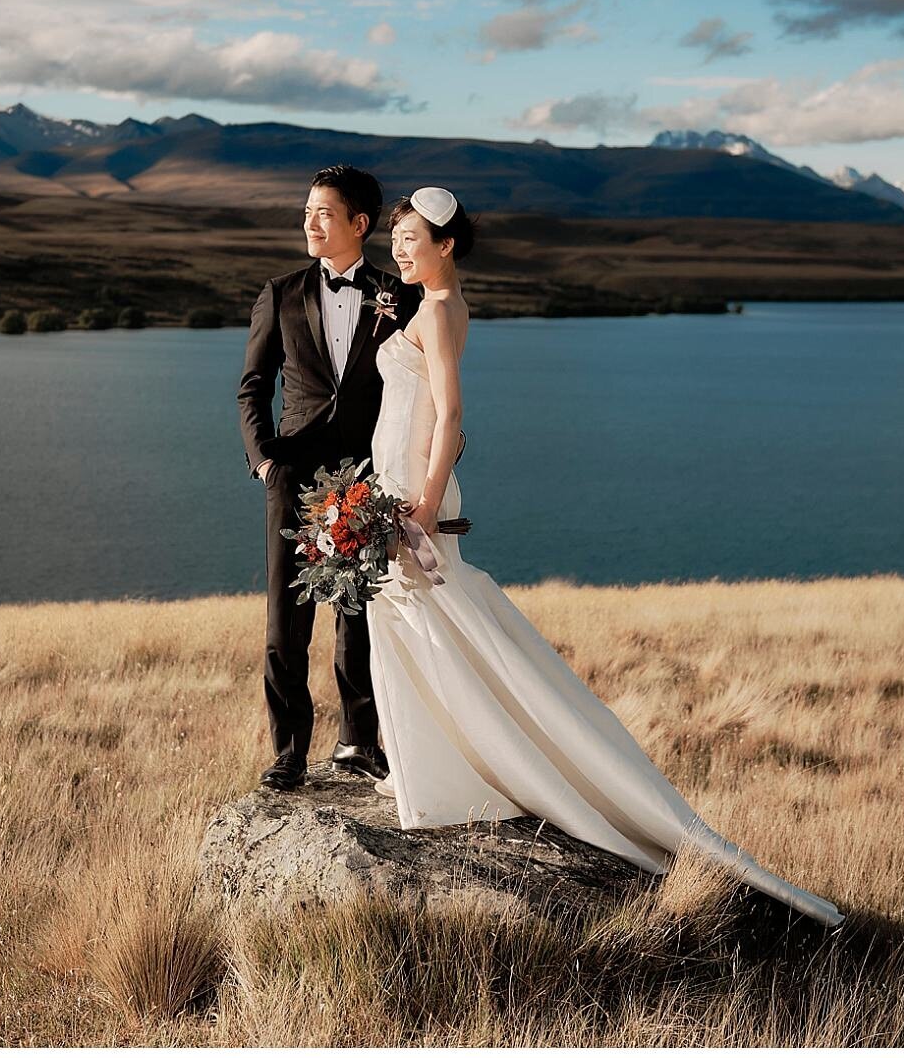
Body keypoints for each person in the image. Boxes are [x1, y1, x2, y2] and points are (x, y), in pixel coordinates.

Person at [362, 184, 846, 929]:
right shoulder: (432, 305)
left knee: (435, 615)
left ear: (447, 244)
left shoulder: (435, 310)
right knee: (413, 620)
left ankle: (479, 769)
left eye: (411, 239)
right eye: (394, 238)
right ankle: (433, 770)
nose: (399, 248)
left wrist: (424, 503)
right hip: (395, 480)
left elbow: (452, 413)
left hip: (414, 489)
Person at [237, 165, 423, 792]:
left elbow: (419, 386)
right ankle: (288, 749)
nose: (310, 222)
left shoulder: (398, 295)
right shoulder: (280, 293)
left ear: (359, 224)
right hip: (293, 478)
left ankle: (357, 743)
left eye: (323, 212)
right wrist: (265, 460)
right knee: (286, 616)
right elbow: (253, 389)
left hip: (369, 476)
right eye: (307, 211)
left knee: (359, 614)